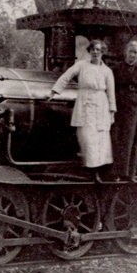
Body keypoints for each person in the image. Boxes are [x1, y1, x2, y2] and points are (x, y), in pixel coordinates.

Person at [49, 39, 116, 176]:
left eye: (98, 50)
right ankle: (88, 168)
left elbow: (111, 92)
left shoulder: (107, 71)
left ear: (102, 52)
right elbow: (66, 76)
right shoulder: (81, 65)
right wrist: (54, 91)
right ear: (89, 51)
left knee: (100, 138)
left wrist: (112, 112)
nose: (95, 52)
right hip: (85, 104)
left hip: (101, 105)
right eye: (93, 49)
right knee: (86, 136)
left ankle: (99, 171)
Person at [110, 40, 137, 180]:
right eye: (130, 51)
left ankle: (130, 173)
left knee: (132, 138)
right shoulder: (117, 68)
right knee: (118, 138)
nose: (132, 54)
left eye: (135, 52)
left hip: (134, 106)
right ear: (126, 52)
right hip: (119, 104)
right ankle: (116, 173)